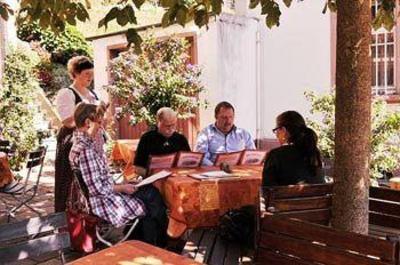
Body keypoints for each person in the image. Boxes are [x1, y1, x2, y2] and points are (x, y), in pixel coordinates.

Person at [70, 102, 168, 247]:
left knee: (150, 194)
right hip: (101, 201)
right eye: (99, 123)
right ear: (88, 123)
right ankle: (154, 244)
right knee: (152, 198)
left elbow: (98, 181)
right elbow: (96, 189)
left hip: (103, 195)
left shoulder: (83, 144)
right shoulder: (85, 150)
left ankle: (143, 242)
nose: (101, 127)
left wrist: (122, 184)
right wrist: (122, 188)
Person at [54, 56, 105, 212]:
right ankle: (67, 221)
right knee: (71, 183)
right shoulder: (67, 93)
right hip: (73, 142)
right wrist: (89, 118)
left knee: (93, 180)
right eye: (86, 74)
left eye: (91, 73)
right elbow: (67, 121)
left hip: (92, 142)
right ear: (75, 74)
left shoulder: (92, 95)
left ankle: (92, 220)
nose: (90, 77)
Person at [262, 110, 325, 186]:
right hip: (316, 197)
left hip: (284, 197)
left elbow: (267, 189)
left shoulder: (275, 155)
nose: (276, 134)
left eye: (276, 130)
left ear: (284, 130)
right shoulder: (314, 152)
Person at [134, 107, 191, 177]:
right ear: (158, 122)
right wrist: (155, 175)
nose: (171, 129)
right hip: (153, 182)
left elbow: (189, 164)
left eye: (173, 125)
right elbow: (138, 168)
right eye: (167, 126)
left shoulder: (181, 139)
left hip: (178, 179)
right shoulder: (147, 138)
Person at [195, 101, 255, 165]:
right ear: (216, 117)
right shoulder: (206, 134)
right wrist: (215, 168)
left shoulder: (243, 134)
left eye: (231, 117)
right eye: (224, 117)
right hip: (213, 171)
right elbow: (202, 158)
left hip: (240, 171)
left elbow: (252, 155)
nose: (228, 121)